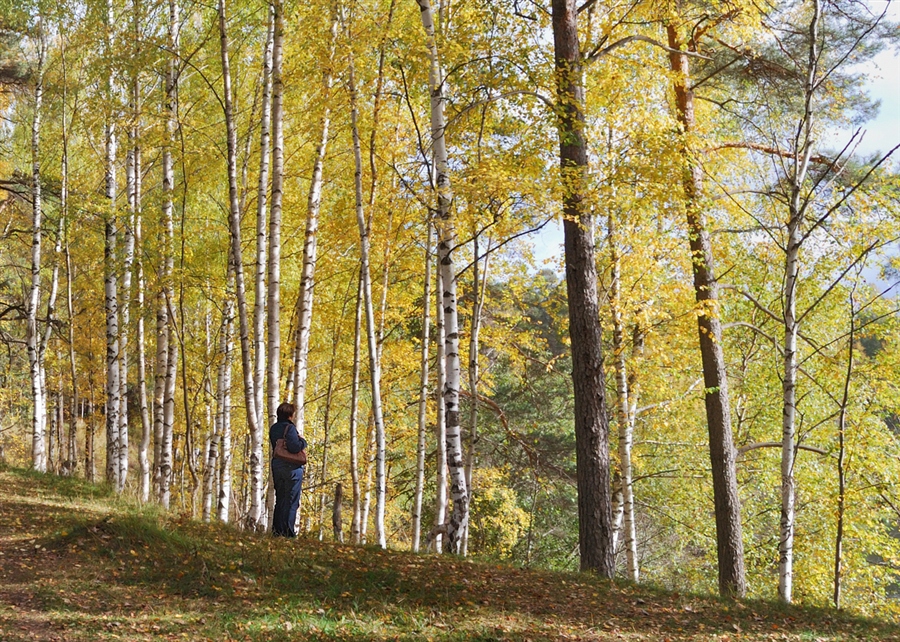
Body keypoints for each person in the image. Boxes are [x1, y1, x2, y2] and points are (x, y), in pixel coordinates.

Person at [270, 402, 307, 537]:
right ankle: (288, 532)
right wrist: (303, 442)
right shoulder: (289, 428)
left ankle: (276, 530)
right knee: (291, 500)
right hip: (291, 468)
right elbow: (294, 447)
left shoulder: (273, 428)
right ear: (290, 415)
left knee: (280, 498)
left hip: (277, 465)